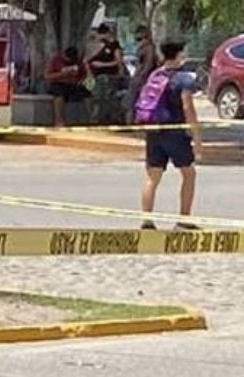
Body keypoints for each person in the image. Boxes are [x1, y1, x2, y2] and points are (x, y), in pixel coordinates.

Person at [139, 41, 202, 230]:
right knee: (189, 174)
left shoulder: (155, 75)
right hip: (176, 133)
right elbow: (187, 107)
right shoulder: (183, 78)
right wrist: (196, 135)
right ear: (179, 55)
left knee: (152, 177)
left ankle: (147, 221)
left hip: (154, 131)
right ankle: (184, 220)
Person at [87, 23, 125, 124]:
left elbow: (118, 61)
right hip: (96, 76)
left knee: (107, 98)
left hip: (108, 76)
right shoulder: (101, 46)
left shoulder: (114, 46)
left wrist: (102, 65)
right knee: (95, 96)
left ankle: (112, 118)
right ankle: (96, 118)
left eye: (102, 34)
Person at [43, 46, 88, 128]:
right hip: (59, 83)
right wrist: (62, 74)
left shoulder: (78, 62)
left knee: (87, 94)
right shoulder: (56, 60)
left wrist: (81, 79)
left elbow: (86, 76)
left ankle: (89, 119)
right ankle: (59, 121)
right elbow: (47, 76)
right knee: (59, 95)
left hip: (73, 84)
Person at [126, 24, 158, 119]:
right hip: (138, 78)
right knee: (131, 104)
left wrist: (140, 78)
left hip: (143, 80)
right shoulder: (142, 48)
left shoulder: (149, 48)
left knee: (135, 103)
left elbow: (148, 65)